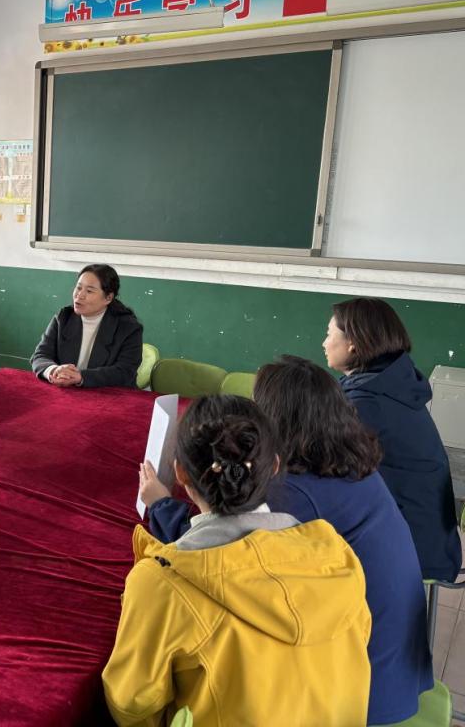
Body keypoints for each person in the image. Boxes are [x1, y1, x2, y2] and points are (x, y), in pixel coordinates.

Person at [144, 356, 432, 725]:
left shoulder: (295, 494)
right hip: (389, 658)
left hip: (359, 688)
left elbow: (216, 557)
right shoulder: (346, 459)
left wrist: (161, 505)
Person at [104, 395, 371, 726]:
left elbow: (131, 705)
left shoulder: (161, 583)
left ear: (180, 473)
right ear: (275, 466)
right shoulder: (337, 555)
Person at [325, 297, 462, 582]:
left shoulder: (367, 403)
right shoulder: (390, 382)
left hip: (413, 550)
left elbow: (328, 469)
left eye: (329, 334)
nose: (324, 343)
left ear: (353, 344)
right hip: (433, 540)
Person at [30, 264, 143, 388]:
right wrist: (53, 370)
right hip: (69, 391)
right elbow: (40, 355)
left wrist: (81, 377)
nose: (80, 295)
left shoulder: (128, 327)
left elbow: (125, 371)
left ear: (108, 298)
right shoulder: (64, 317)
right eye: (78, 288)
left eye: (89, 291)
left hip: (110, 394)